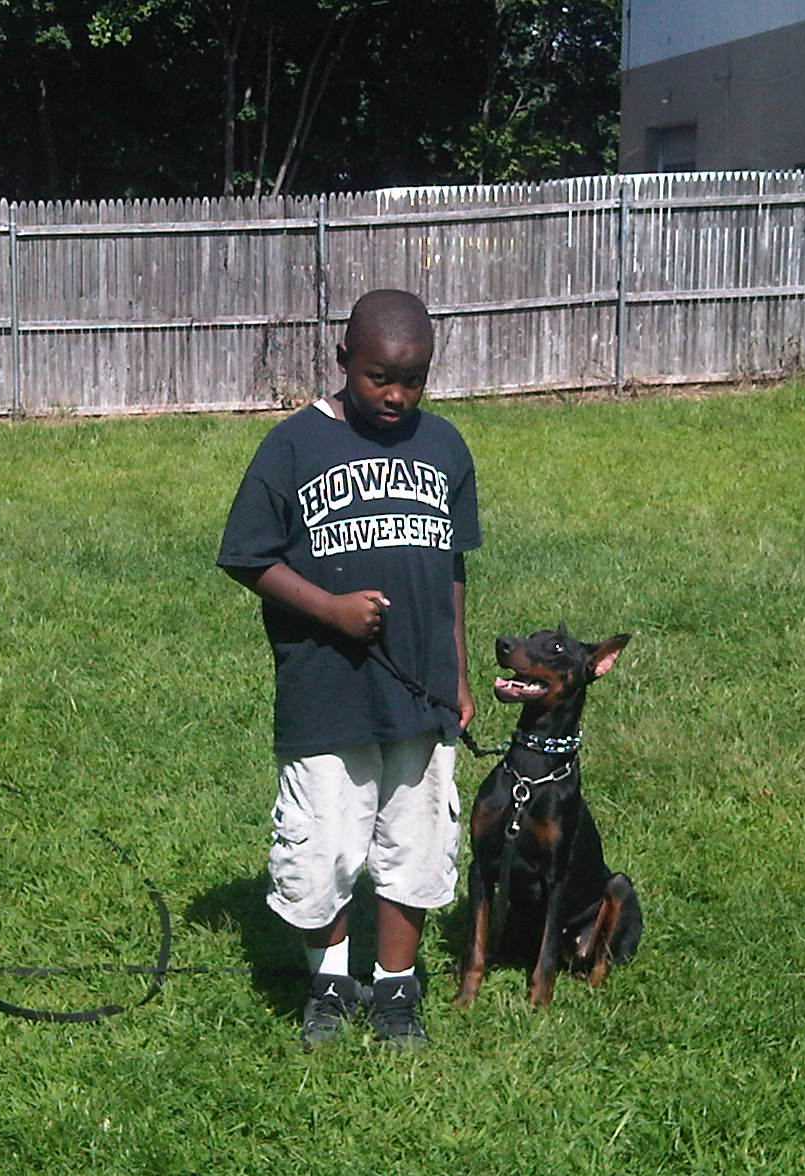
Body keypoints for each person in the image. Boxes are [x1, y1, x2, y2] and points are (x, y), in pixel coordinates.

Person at [217, 289, 482, 1050]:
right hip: (327, 685)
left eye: (413, 380)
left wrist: (458, 670)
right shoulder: (293, 446)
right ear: (343, 362)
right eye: (378, 378)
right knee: (324, 839)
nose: (396, 396)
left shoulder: (446, 447)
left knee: (418, 835)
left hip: (421, 686)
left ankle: (396, 991)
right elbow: (245, 554)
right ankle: (330, 981)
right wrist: (328, 610)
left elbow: (454, 566)